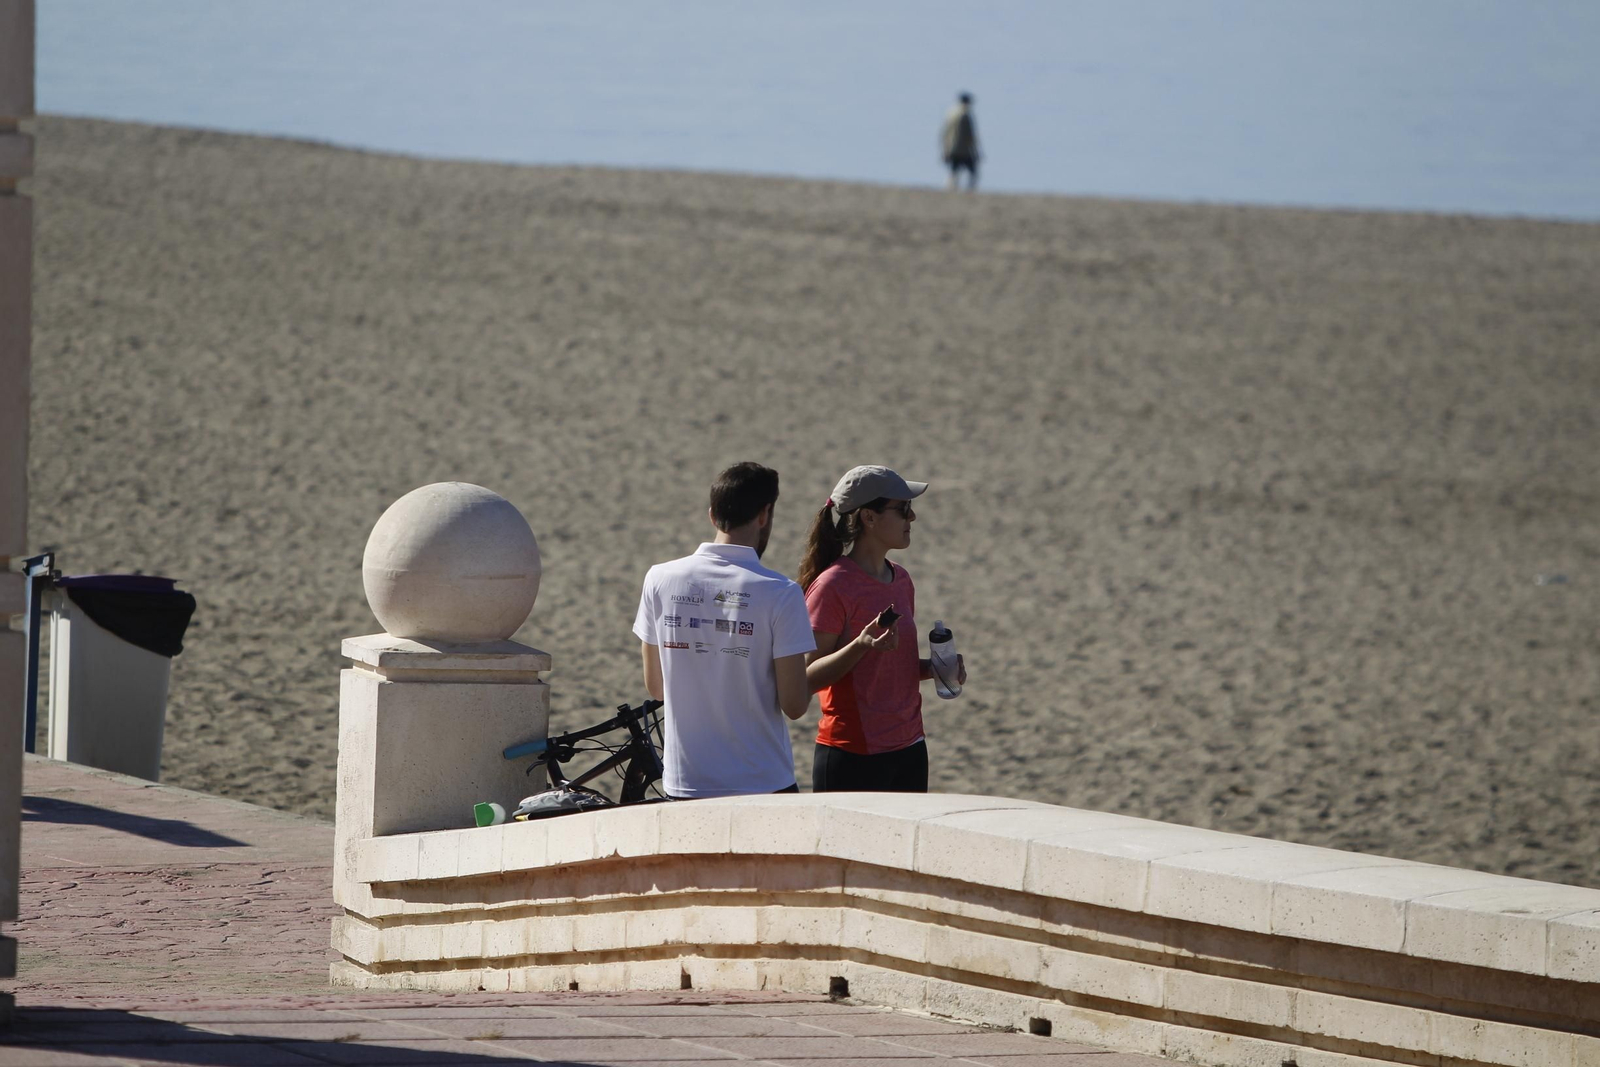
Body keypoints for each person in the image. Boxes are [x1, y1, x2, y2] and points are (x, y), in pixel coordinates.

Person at [633, 462, 816, 798]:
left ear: (712, 515)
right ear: (764, 515)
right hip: (762, 780)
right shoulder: (781, 592)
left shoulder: (659, 578)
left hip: (686, 781)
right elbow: (794, 704)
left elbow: (656, 686)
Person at [798, 465, 966, 793]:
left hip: (911, 747)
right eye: (902, 509)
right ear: (868, 518)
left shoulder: (900, 578)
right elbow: (805, 678)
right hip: (852, 753)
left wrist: (935, 669)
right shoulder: (833, 585)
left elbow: (888, 669)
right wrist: (861, 645)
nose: (912, 518)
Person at [940, 92, 980, 192]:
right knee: (973, 171)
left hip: (952, 148)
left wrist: (945, 148)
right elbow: (969, 135)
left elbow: (944, 132)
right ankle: (969, 190)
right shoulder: (965, 115)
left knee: (954, 171)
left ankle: (950, 189)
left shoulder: (951, 113)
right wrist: (974, 149)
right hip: (964, 149)